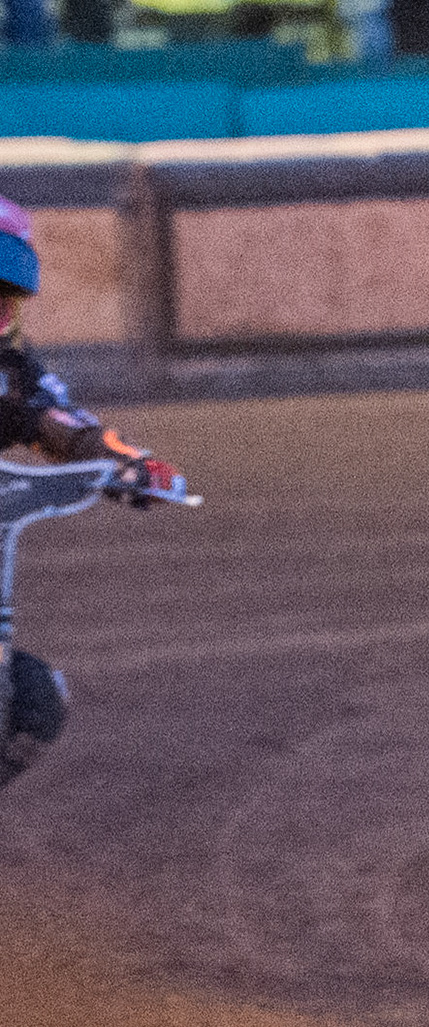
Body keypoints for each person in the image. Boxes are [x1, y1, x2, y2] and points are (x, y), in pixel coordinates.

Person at [1, 198, 186, 783]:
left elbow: (62, 419)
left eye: (0, 300)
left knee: (29, 701)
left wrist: (134, 465)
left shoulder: (14, 366)